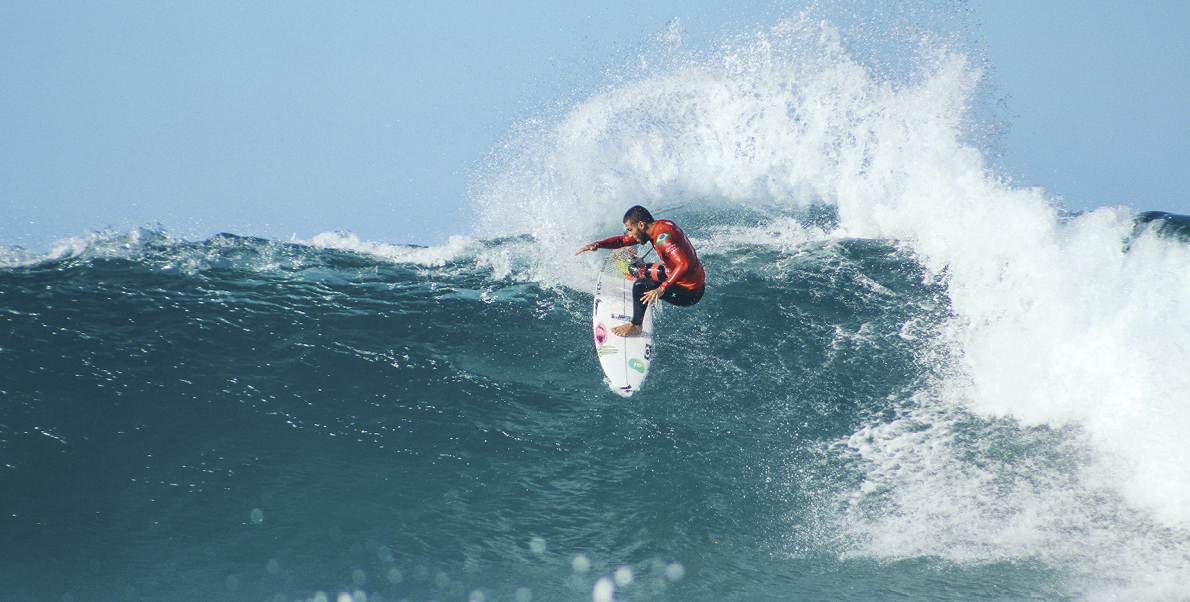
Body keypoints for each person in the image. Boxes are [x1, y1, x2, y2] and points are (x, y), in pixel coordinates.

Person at [575, 206, 705, 337]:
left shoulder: (663, 239)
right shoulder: (659, 226)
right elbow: (623, 240)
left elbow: (684, 264)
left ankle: (636, 325)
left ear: (641, 225)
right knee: (635, 269)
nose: (630, 234)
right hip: (675, 274)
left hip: (689, 292)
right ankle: (638, 272)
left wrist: (661, 288)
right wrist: (598, 244)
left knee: (640, 286)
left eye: (630, 230)